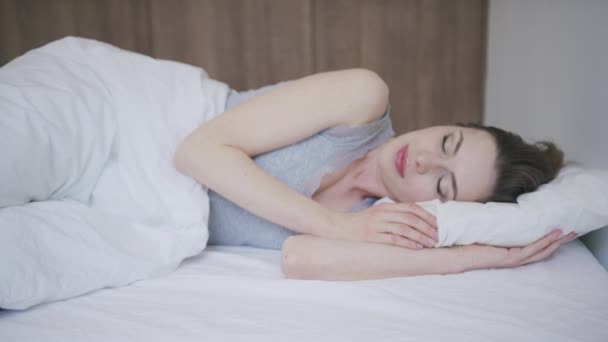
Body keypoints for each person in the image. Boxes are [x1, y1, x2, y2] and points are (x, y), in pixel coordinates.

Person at [174, 68, 575, 281]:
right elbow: (197, 151)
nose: (423, 160)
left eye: (441, 183)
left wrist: (466, 258)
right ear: (448, 124)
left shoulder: (380, 223)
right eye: (447, 143)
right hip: (156, 123)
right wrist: (335, 225)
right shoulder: (362, 98)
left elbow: (300, 259)